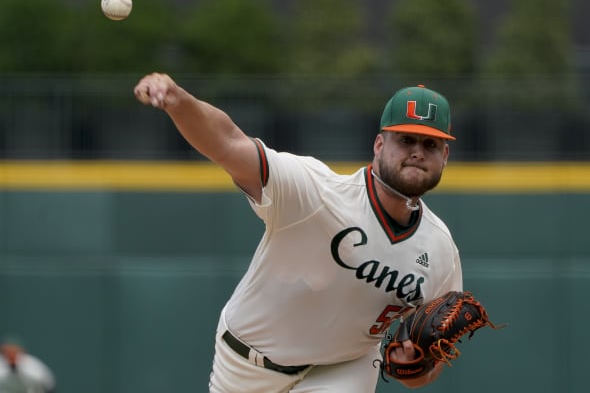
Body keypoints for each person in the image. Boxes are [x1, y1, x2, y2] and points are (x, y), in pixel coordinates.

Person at [134, 74, 463, 392]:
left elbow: (427, 363)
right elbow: (229, 142)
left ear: (444, 156)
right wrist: (179, 102)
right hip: (246, 364)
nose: (418, 151)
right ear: (378, 144)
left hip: (343, 369)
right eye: (405, 139)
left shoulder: (439, 250)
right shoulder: (315, 192)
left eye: (431, 144)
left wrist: (415, 367)